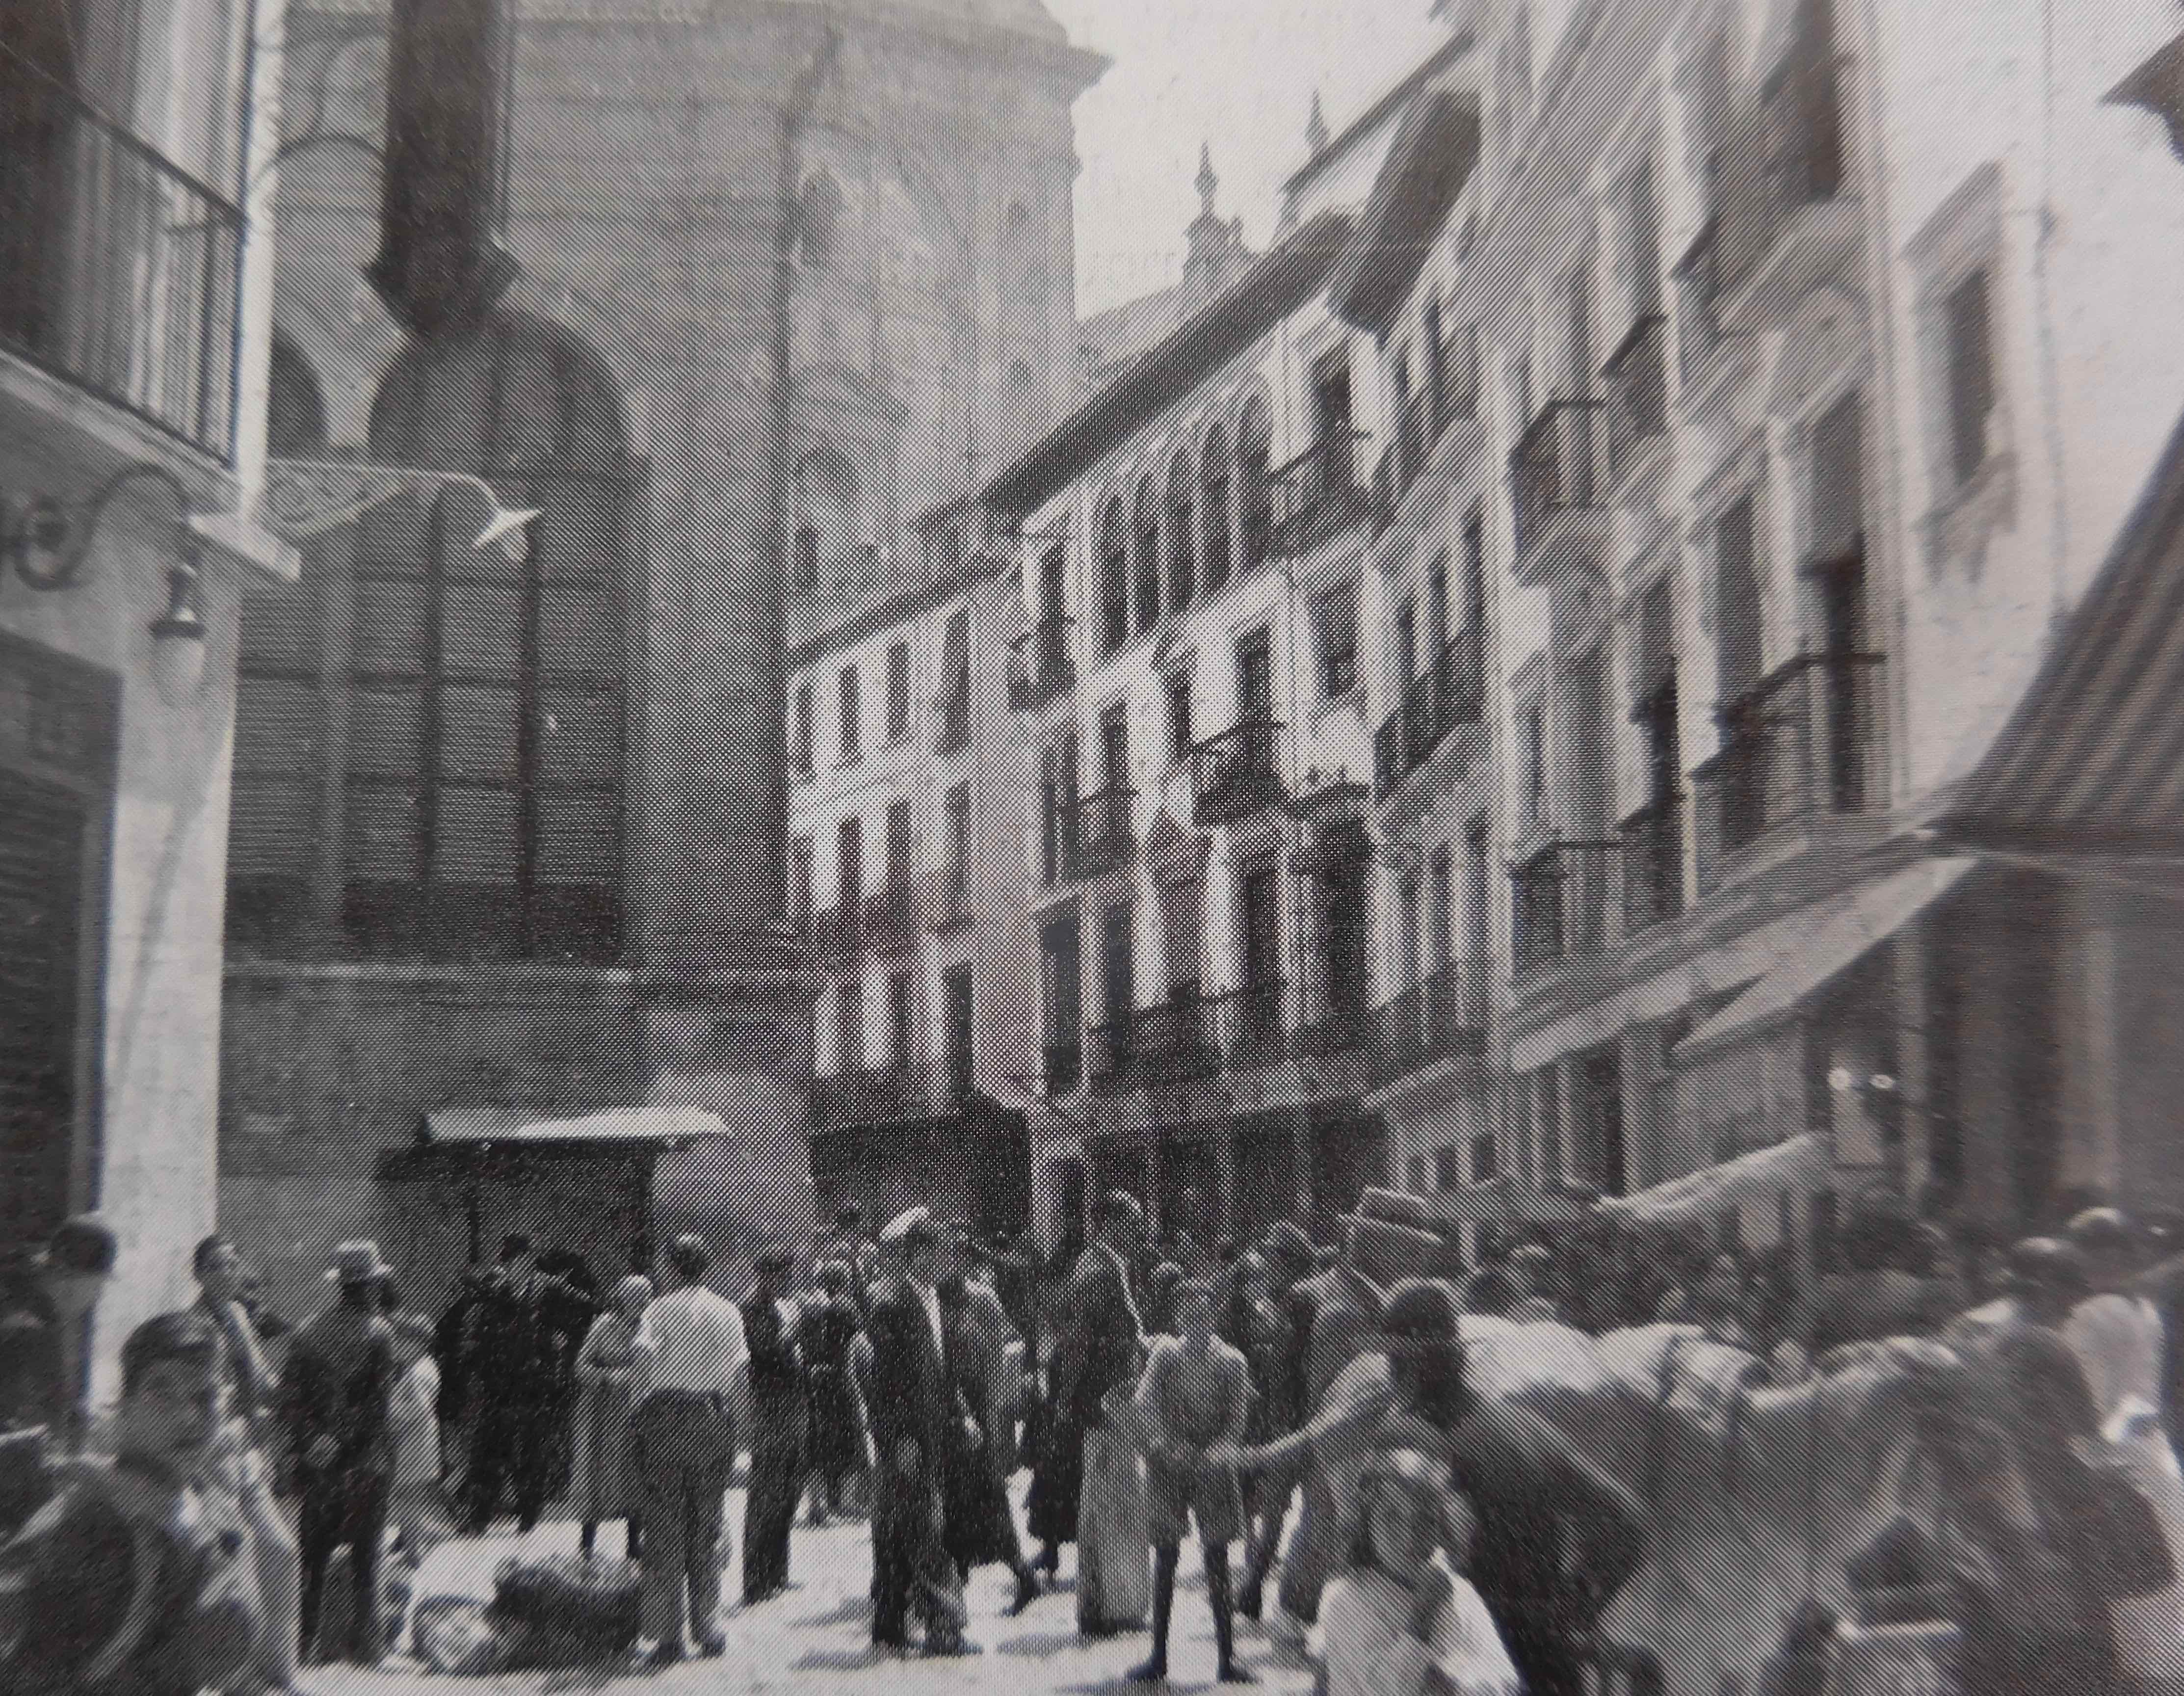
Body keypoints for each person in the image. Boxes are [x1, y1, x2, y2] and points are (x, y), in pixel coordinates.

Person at [1231, 1280, 1647, 1696]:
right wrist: (1571, 1608)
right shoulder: (1523, 1426)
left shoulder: (1410, 1440)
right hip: (1547, 1668)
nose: (1389, 1374)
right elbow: (1628, 1522)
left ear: (1409, 1368)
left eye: (1393, 1360)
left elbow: (1361, 1561)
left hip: (1458, 1666)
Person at [0, 1311, 298, 1696]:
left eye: (205, 1398)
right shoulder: (77, 1513)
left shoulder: (217, 1522)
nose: (189, 1416)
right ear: (124, 1407)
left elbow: (231, 1663)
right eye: (162, 1392)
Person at [2064, 1209, 2184, 1682]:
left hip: (2117, 1458)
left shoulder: (2088, 1316)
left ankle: (2149, 1676)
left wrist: (2089, 1455)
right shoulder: (2144, 1309)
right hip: (2155, 1453)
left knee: (2133, 1579)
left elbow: (2090, 1404)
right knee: (2169, 1569)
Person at [1311, 1449, 1519, 1696]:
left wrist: (1451, 1684)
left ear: (1442, 1527)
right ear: (1368, 1519)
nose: (1409, 1538)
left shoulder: (1460, 1593)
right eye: (1391, 1517)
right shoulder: (1345, 1599)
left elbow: (1507, 1682)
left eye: (1426, 1521)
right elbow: (1386, 1690)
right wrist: (1423, 1614)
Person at [1130, 1276, 1255, 1685]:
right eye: (1189, 1316)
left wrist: (1215, 1452)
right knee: (1165, 1557)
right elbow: (1144, 1404)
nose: (1196, 1323)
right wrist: (1168, 1446)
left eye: (1203, 1315)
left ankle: (1227, 1659)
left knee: (1217, 1559)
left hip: (1213, 1470)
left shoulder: (1232, 1361)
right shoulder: (1165, 1356)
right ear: (1179, 1318)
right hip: (1170, 1467)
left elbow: (1237, 1420)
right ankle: (1158, 1657)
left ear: (1214, 1316)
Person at [629, 1233, 745, 1668]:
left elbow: (641, 1364)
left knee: (664, 1528)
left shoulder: (657, 1310)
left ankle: (668, 1635)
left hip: (665, 1419)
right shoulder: (727, 1311)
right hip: (711, 1416)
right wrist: (735, 1430)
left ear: (674, 1267)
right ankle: (708, 1626)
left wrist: (637, 1415)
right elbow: (740, 1374)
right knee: (707, 1525)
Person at [283, 1240, 398, 1667]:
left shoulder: (306, 1331)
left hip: (319, 1467)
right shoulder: (379, 1333)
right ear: (369, 1286)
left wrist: (315, 1439)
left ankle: (302, 1645)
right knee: (366, 1557)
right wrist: (341, 1438)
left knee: (312, 1558)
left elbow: (290, 1400)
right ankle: (366, 1647)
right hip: (366, 1462)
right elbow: (376, 1406)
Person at [866, 1207, 975, 1655]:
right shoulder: (891, 1304)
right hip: (909, 1439)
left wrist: (962, 1414)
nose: (949, 1260)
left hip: (934, 1433)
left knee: (900, 1527)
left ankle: (889, 1621)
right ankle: (944, 1628)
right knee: (928, 1530)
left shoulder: (935, 1299)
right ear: (919, 1254)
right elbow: (884, 1384)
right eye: (941, 1252)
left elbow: (942, 1372)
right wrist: (900, 1439)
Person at [1050, 1190, 1152, 1636]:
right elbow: (1076, 1345)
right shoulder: (1098, 1272)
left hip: (1112, 1401)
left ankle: (1103, 1603)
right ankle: (1113, 1606)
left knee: (1106, 1503)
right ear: (1110, 1223)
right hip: (1107, 1404)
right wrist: (1068, 1402)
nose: (1136, 1230)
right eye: (1130, 1222)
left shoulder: (1106, 1266)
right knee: (1113, 1503)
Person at [937, 1269, 1042, 1616]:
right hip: (958, 1419)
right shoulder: (942, 1304)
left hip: (976, 1420)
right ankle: (962, 1589)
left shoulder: (978, 1305)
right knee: (961, 1506)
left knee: (985, 1503)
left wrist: (988, 1416)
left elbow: (999, 1356)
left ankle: (1020, 1577)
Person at [1236, 1221, 1318, 1620]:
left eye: (1272, 1258)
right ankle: (1256, 1587)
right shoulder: (1282, 1300)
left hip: (1292, 1418)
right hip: (1284, 1416)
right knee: (1279, 1508)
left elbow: (1289, 1364)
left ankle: (1259, 1588)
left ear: (1288, 1264)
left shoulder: (1297, 1302)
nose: (1266, 1265)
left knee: (1280, 1508)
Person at [459, 1234, 567, 1534]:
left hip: (534, 1387)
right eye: (507, 1262)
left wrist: (551, 1371)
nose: (510, 1267)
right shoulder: (495, 1294)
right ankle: (479, 1517)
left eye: (515, 1261)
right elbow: (481, 1337)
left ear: (527, 1261)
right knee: (488, 1452)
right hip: (499, 1387)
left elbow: (559, 1338)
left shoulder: (546, 1294)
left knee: (533, 1453)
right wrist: (482, 1373)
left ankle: (528, 1517)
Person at [0, 1215, 118, 1444]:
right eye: (98, 1285)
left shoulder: (20, 1300)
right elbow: (46, 1419)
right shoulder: (32, 1326)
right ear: (71, 1281)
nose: (97, 1298)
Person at [740, 1246, 810, 1605]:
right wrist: (796, 1330)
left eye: (785, 1274)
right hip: (770, 1409)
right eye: (778, 1274)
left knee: (788, 1491)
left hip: (794, 1406)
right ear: (764, 1276)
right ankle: (755, 1579)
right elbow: (767, 1353)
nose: (784, 1281)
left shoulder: (785, 1307)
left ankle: (777, 1571)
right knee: (765, 1493)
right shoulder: (752, 1310)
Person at [573, 1273, 651, 1562]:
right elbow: (580, 1366)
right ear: (622, 1298)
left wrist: (637, 1377)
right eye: (632, 1298)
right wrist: (607, 1376)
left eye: (643, 1298)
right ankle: (587, 1543)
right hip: (601, 1412)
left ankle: (634, 1543)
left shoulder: (650, 1328)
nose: (638, 1303)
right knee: (596, 1473)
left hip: (635, 1411)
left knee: (635, 1472)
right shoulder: (604, 1325)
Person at [193, 1233, 275, 1444]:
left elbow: (257, 1366)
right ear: (199, 1275)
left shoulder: (238, 1312)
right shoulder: (196, 1324)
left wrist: (278, 1394)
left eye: (232, 1265)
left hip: (254, 1421)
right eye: (215, 1267)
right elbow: (206, 1389)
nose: (225, 1273)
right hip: (220, 1428)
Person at [801, 1261, 866, 1525]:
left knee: (817, 1443)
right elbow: (857, 1342)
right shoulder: (846, 1308)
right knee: (848, 1440)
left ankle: (817, 1504)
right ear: (843, 1282)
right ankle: (844, 1502)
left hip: (813, 1382)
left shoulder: (808, 1307)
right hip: (841, 1381)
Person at [386, 1312, 446, 1575]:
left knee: (409, 1500)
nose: (400, 1346)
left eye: (405, 1341)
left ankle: (413, 1553)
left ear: (419, 1343)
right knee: (408, 1499)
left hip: (413, 1443)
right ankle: (410, 1549)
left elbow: (419, 1409)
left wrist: (392, 1421)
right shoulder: (420, 1367)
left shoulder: (418, 1372)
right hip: (416, 1442)